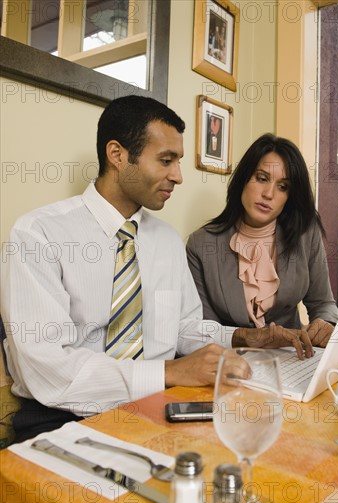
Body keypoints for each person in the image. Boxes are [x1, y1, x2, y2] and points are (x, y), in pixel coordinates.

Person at [1, 98, 313, 442]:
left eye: (178, 161)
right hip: (64, 418)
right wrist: (169, 372)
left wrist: (244, 337)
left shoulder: (165, 239)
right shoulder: (38, 235)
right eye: (166, 160)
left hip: (161, 406)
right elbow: (47, 371)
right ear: (117, 155)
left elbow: (184, 328)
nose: (178, 176)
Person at [186, 134, 338, 347]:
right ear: (243, 179)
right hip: (230, 360)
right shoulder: (200, 245)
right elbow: (204, 328)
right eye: (262, 178)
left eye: (283, 186)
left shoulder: (306, 232)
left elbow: (323, 303)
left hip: (293, 356)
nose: (269, 194)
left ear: (290, 196)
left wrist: (324, 323)